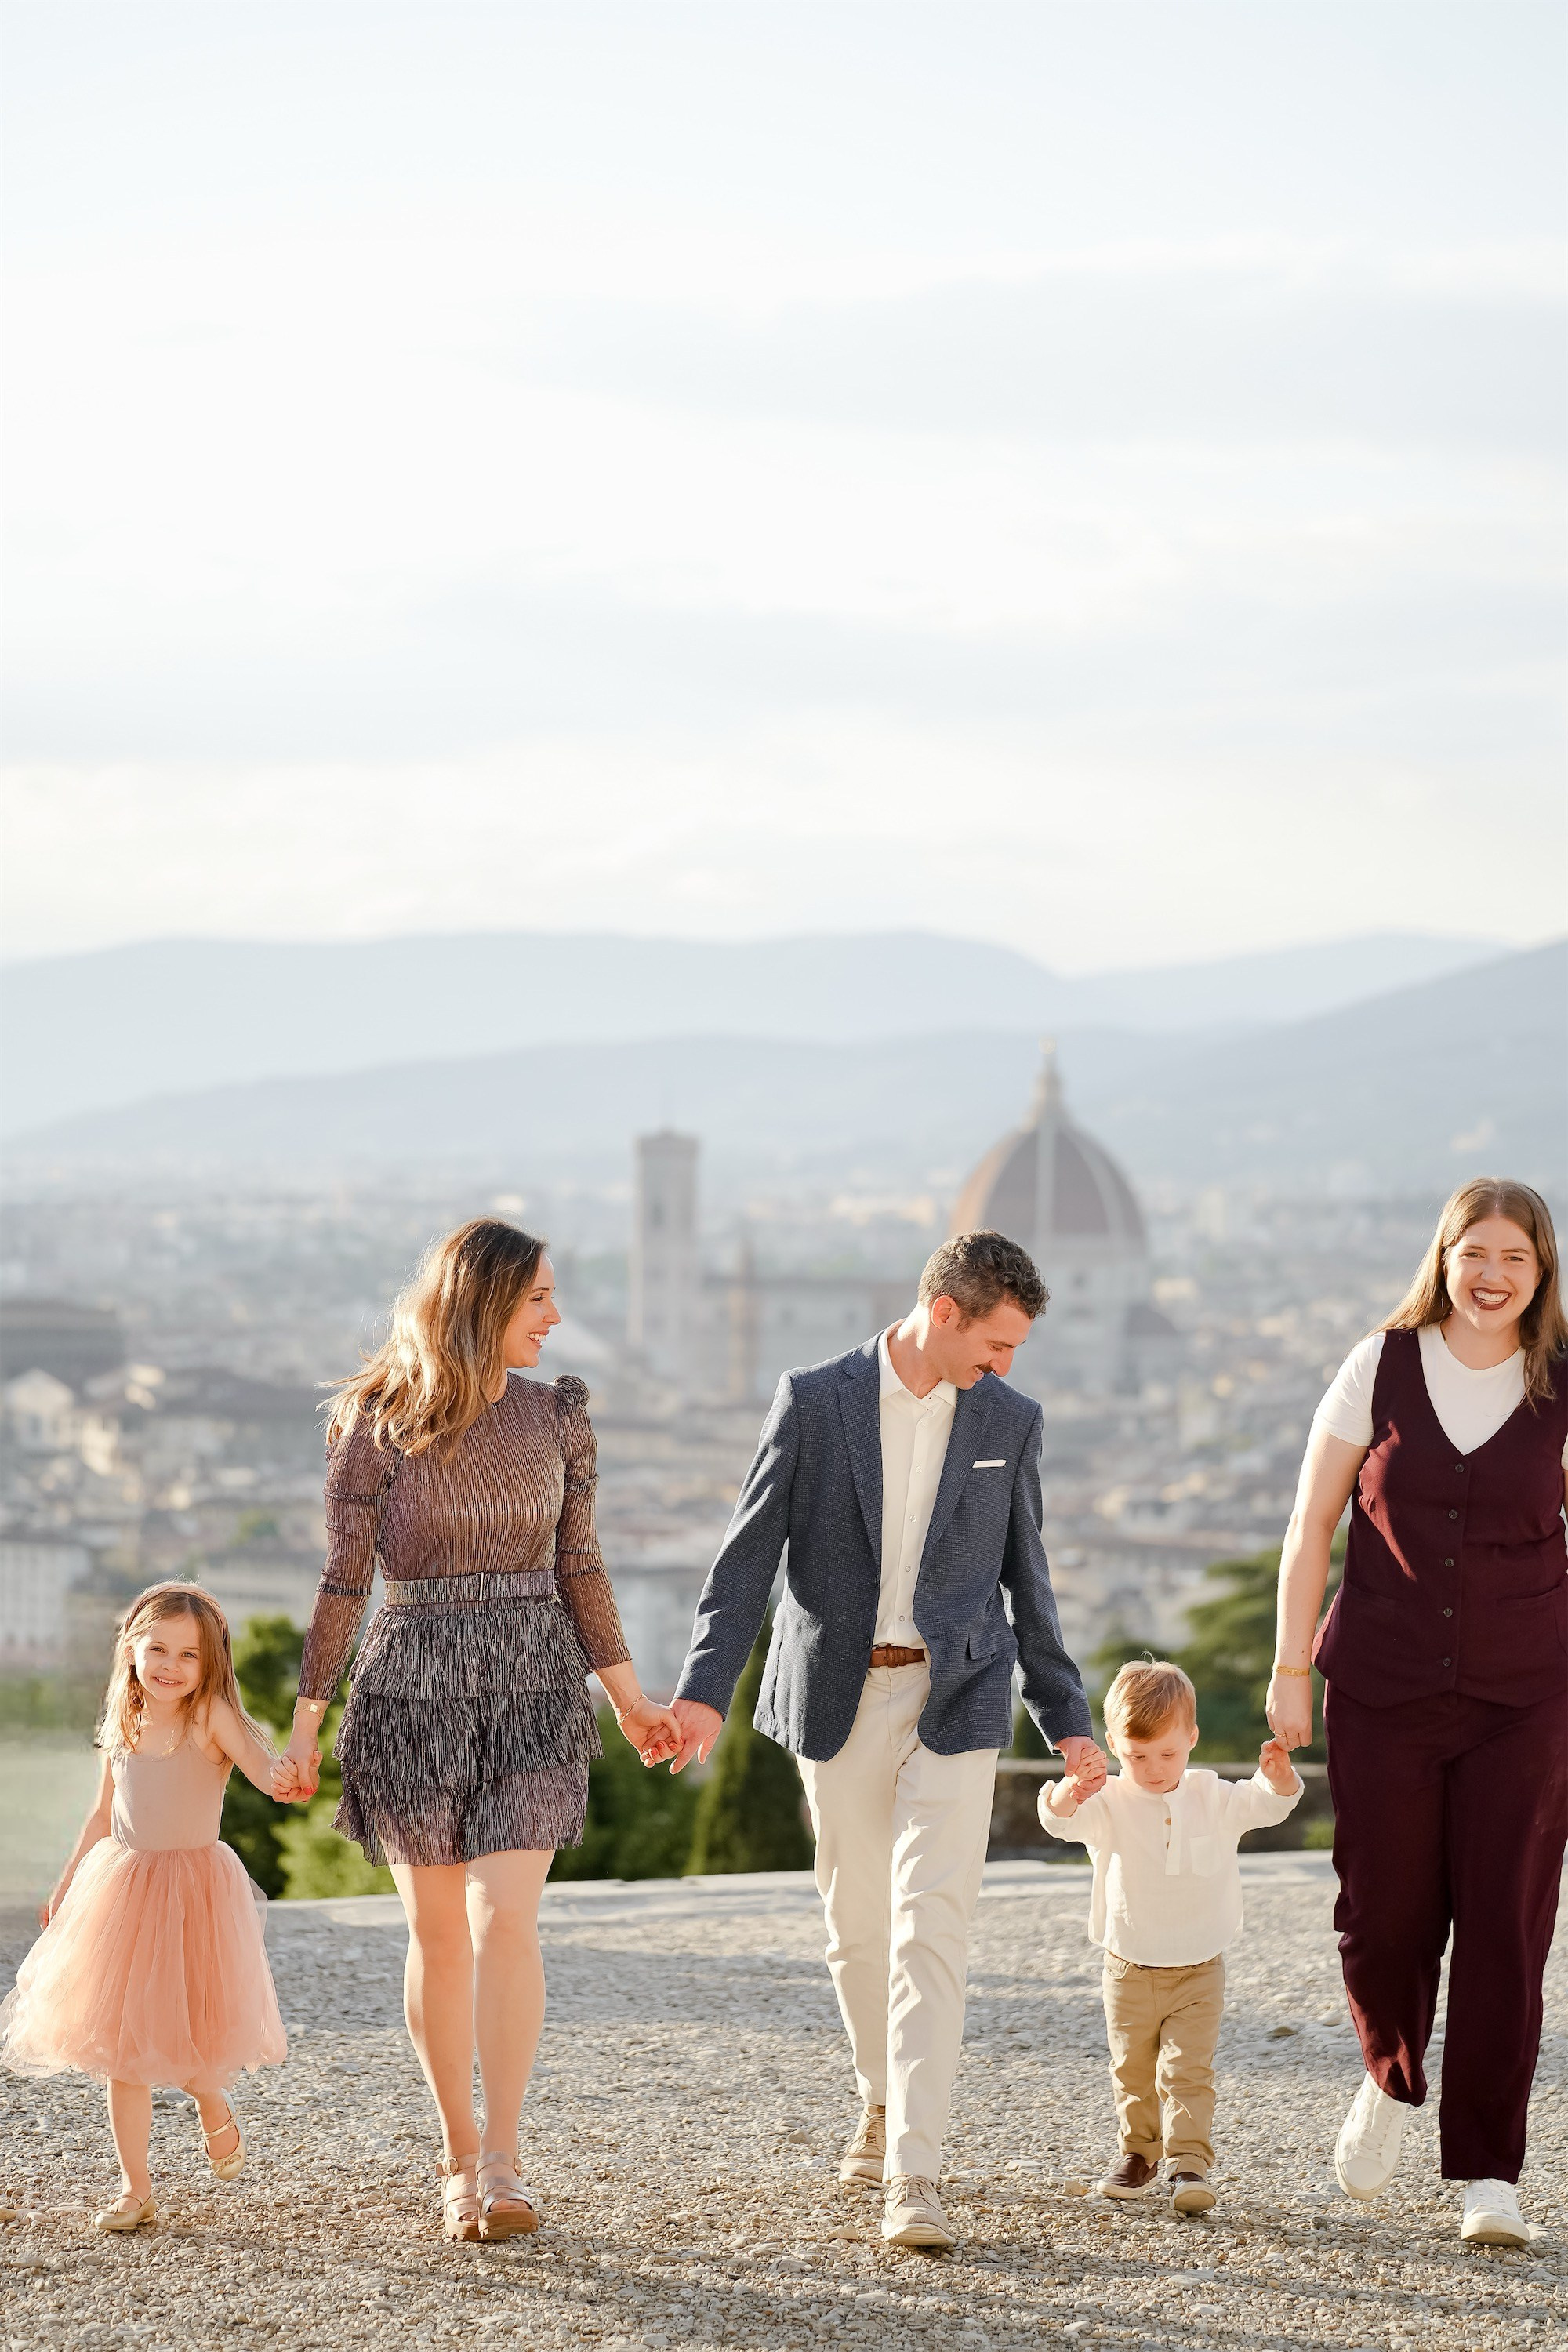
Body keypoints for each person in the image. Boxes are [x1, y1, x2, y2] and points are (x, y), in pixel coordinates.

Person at [669, 1229, 1102, 2251]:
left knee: (931, 1932)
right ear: (944, 1311)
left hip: (958, 1697)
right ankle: (879, 2097)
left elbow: (1027, 1587)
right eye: (997, 1343)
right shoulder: (815, 1400)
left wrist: (1070, 1724)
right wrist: (701, 1695)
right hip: (839, 1699)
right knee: (858, 1928)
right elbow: (745, 1566)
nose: (1006, 1366)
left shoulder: (1010, 1421)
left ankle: (916, 2172)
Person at [274, 1218, 681, 2243]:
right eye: (540, 1297)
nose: (557, 1316)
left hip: (536, 1687)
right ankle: (455, 2155)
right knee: (439, 1935)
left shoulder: (559, 1417)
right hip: (410, 1692)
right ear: (486, 1301)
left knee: (509, 1920)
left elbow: (580, 1567)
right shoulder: (373, 1421)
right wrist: (302, 1732)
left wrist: (632, 1701)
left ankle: (504, 2159)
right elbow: (342, 1584)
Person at [1268, 1178, 1568, 2249]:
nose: (1493, 1276)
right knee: (1383, 1915)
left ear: (1541, 1276)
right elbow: (1311, 1528)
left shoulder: (1562, 1385)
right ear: (1443, 1257)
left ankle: (1490, 2172)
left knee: (1506, 1930)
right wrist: (1289, 1667)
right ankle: (1390, 2075)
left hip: (1529, 1697)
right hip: (1384, 1687)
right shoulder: (1378, 1364)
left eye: (1516, 1260)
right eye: (1474, 1252)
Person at [0, 1583, 288, 2231]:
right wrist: (69, 1879)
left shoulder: (210, 1715)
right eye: (157, 1648)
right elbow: (103, 1813)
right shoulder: (123, 1716)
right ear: (130, 1649)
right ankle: (136, 2188)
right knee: (122, 2048)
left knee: (185, 2031)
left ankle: (211, 2100)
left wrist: (291, 1775)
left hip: (194, 1894)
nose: (170, 1666)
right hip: (124, 1890)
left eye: (188, 1655)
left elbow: (266, 1771)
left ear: (210, 1663)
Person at [1039, 1658, 1301, 2215]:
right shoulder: (1106, 1800)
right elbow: (1061, 1821)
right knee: (1132, 2069)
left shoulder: (1214, 1796)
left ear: (1192, 1738)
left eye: (1167, 1753)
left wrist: (1279, 1779)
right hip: (1128, 1963)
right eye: (1136, 1756)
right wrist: (1070, 1789)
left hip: (1200, 1966)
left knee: (1189, 2070)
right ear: (1113, 1744)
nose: (1154, 1768)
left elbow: (1268, 1804)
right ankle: (1138, 2153)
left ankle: (1189, 2163)